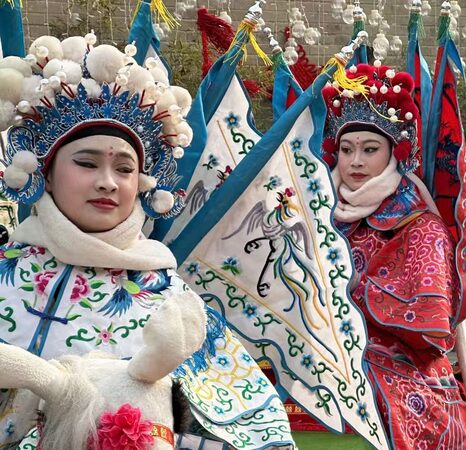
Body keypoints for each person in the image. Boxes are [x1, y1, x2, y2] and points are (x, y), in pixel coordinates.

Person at [0, 36, 293, 449]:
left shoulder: (171, 301)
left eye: (124, 168)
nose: (108, 181)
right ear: (45, 173)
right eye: (86, 163)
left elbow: (252, 428)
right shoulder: (3, 276)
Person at [319, 63, 466, 450]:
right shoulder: (317, 213)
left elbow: (431, 327)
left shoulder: (420, 225)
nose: (355, 161)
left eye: (370, 149)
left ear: (394, 153)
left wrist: (347, 289)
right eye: (346, 149)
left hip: (401, 367)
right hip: (320, 354)